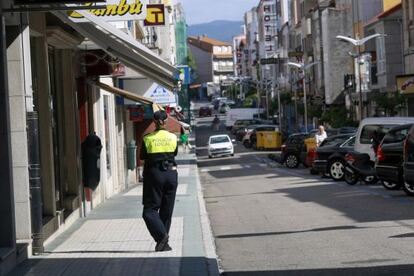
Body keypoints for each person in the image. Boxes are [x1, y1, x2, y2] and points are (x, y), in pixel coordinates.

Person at [140, 110, 178, 252]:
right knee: (167, 210)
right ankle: (163, 244)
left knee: (149, 210)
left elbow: (143, 156)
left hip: (155, 175)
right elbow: (174, 153)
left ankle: (161, 237)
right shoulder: (173, 137)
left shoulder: (148, 138)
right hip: (171, 174)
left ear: (154, 122)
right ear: (166, 121)